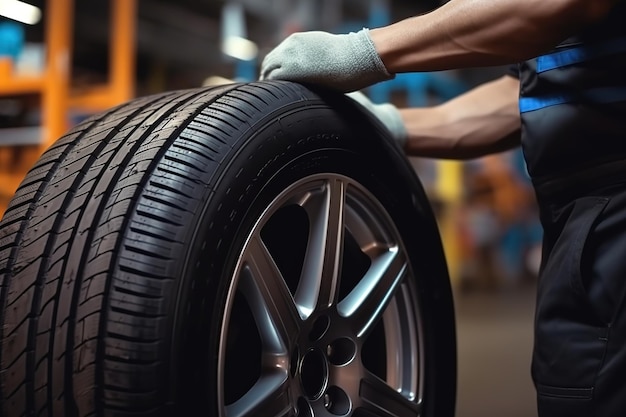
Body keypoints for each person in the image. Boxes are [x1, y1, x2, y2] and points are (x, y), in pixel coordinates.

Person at [259, 1, 626, 416]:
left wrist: (363, 50)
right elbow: (517, 98)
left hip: (615, 212)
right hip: (578, 222)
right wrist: (393, 123)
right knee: (577, 389)